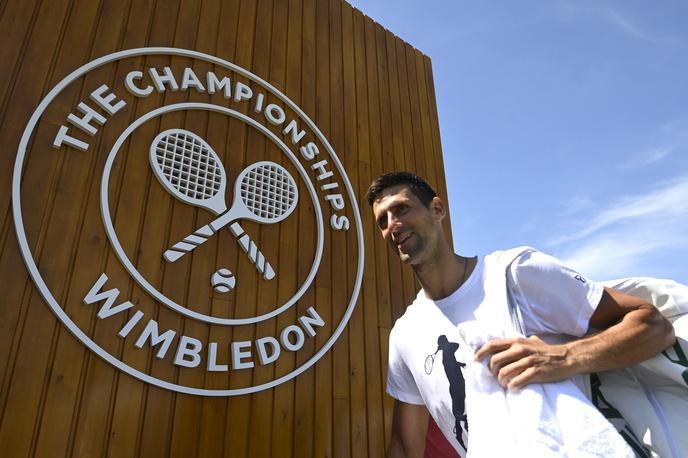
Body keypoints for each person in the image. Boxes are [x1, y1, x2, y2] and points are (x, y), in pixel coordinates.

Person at [365, 172, 675, 457]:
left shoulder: (514, 272)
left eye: (402, 209)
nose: (392, 224)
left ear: (437, 209)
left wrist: (566, 357)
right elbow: (405, 449)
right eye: (382, 221)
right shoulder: (405, 334)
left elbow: (651, 323)